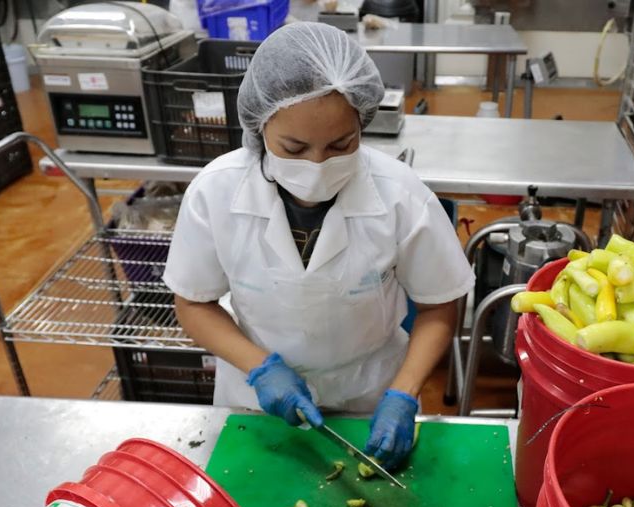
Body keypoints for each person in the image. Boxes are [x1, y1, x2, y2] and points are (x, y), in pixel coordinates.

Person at [163, 22, 474, 468]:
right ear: (259, 128)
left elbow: (440, 304)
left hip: (368, 397)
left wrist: (404, 393)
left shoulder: (401, 196)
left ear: (362, 124)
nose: (317, 165)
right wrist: (261, 368)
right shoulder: (215, 193)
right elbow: (193, 302)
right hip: (257, 403)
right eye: (294, 147)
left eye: (340, 145)